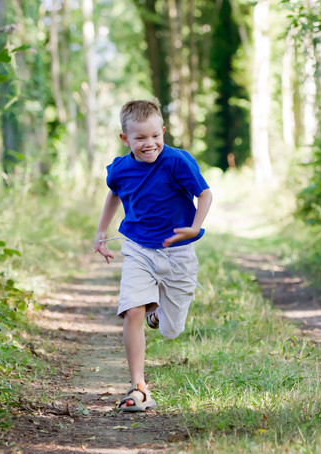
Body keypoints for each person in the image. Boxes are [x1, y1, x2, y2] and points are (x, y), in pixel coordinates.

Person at [93, 99, 212, 412]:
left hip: (178, 252)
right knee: (132, 310)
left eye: (155, 136)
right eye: (140, 138)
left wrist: (194, 228)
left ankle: (156, 313)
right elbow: (115, 192)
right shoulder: (121, 168)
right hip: (138, 248)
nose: (150, 144)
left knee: (172, 330)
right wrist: (101, 230)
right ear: (125, 139)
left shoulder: (177, 162)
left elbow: (205, 194)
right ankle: (139, 386)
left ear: (163, 131)